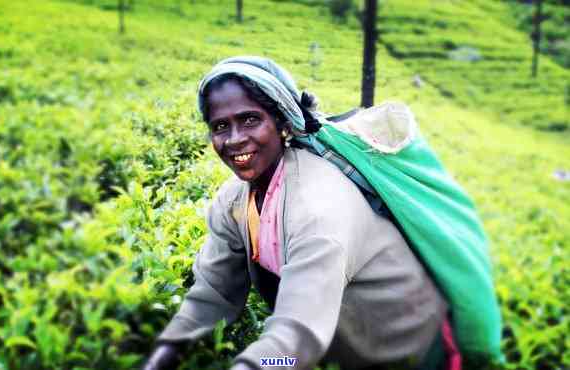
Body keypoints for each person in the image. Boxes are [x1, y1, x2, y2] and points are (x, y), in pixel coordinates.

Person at [143, 56, 454, 370]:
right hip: (335, 346)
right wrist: (159, 359)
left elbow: (294, 344)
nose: (235, 139)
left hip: (408, 353)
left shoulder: (318, 210)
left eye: (250, 120)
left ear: (281, 123)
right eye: (220, 126)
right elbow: (213, 293)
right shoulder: (235, 200)